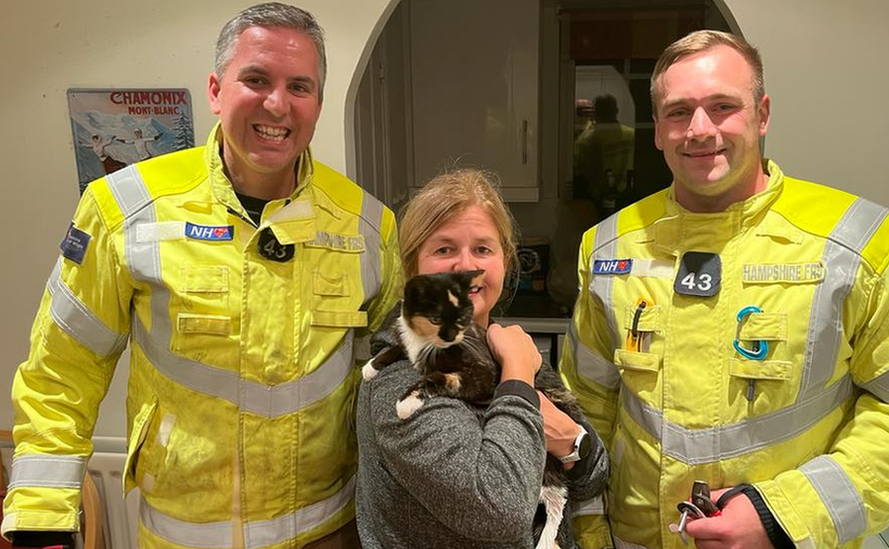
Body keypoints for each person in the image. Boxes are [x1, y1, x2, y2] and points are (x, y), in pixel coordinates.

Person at [3, 4, 401, 549]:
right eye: (256, 79)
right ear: (216, 89)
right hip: (182, 538)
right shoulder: (125, 210)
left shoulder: (367, 226)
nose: (277, 103)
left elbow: (395, 378)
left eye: (299, 86)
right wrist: (39, 519)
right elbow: (63, 369)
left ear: (319, 104)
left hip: (330, 533)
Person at [559, 30, 889, 549]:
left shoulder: (862, 246)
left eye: (723, 106)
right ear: (659, 130)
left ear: (763, 114)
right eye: (678, 112)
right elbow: (585, 409)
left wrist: (784, 515)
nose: (700, 130)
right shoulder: (607, 248)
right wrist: (590, 534)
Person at [355, 169, 609, 548]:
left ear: (506, 261)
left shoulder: (502, 346)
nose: (465, 267)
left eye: (482, 249)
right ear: (412, 268)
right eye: (444, 249)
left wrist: (571, 440)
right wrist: (519, 378)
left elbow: (594, 473)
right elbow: (499, 511)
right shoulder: (400, 379)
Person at [573, 94, 635, 215]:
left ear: (594, 113)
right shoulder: (632, 135)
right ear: (616, 111)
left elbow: (580, 173)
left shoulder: (586, 140)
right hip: (627, 196)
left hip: (599, 200)